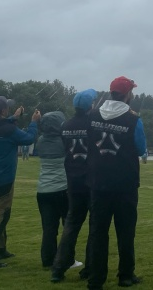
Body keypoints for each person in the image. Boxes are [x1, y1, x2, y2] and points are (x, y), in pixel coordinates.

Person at [86, 77, 147, 289]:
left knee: (98, 232)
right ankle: (125, 275)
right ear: (128, 94)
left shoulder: (92, 115)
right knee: (126, 231)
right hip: (125, 184)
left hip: (98, 182)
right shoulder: (133, 119)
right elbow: (140, 149)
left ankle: (96, 279)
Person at [0, 97, 39, 268]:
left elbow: (1, 127)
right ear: (2, 111)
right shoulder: (8, 129)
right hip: (3, 177)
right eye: (7, 109)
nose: (9, 110)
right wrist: (33, 122)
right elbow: (28, 139)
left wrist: (14, 118)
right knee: (1, 216)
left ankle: (0, 248)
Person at [51, 89, 97, 283]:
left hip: (72, 180)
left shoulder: (65, 125)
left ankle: (58, 269)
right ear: (90, 106)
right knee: (95, 226)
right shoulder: (93, 124)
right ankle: (89, 268)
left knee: (71, 225)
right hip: (92, 179)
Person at [35, 111, 70, 268]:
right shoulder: (64, 141)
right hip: (63, 188)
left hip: (43, 189)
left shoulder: (40, 141)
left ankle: (47, 260)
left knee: (48, 229)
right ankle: (65, 259)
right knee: (68, 226)